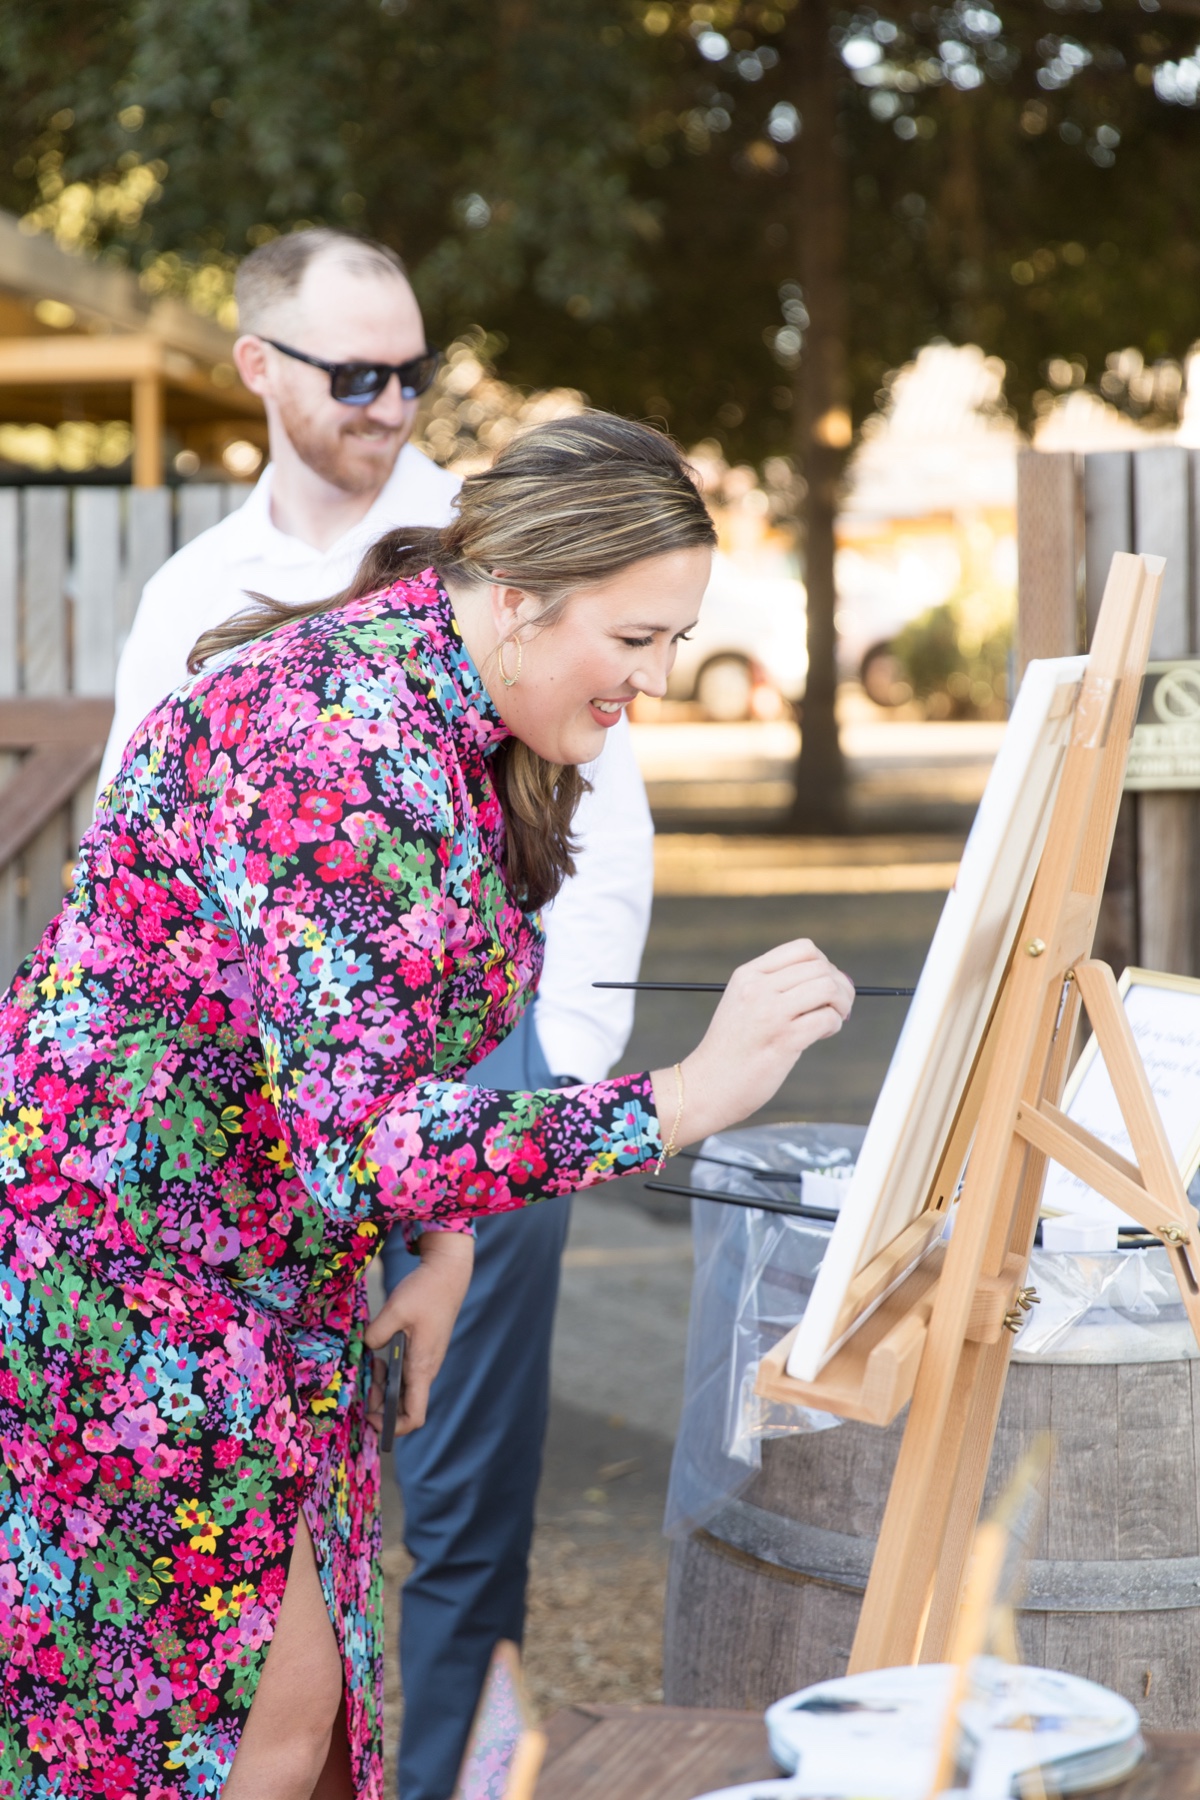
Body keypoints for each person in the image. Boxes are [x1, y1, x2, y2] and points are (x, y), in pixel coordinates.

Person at [0, 411, 853, 1800]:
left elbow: (386, 1042)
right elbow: (363, 1140)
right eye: (633, 640)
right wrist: (688, 1095)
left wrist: (446, 1252)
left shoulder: (456, 704)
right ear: (516, 600)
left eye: (675, 641)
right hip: (126, 1274)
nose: (656, 680)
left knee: (300, 1720)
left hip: (259, 1264)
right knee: (236, 1736)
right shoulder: (342, 737)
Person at [96, 230, 654, 1798]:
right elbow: (146, 874)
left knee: (462, 1508)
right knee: (258, 1554)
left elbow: (605, 828)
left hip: (484, 1070)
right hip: (255, 1136)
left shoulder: (503, 554)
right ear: (260, 372)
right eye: (356, 374)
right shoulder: (196, 597)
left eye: (412, 370)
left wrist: (554, 1076)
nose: (391, 402)